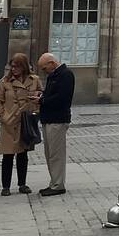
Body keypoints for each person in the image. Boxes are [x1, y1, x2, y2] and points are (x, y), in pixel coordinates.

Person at [0, 53, 41, 195]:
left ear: (24, 66)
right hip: (9, 123)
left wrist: (36, 109)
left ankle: (22, 184)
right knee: (7, 155)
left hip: (25, 122)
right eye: (12, 66)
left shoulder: (34, 80)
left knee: (23, 155)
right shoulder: (5, 81)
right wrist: (3, 116)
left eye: (16, 66)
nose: (13, 69)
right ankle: (6, 187)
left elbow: (41, 96)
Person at [37, 53, 75, 196]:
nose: (43, 71)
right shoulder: (53, 76)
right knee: (50, 153)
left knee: (56, 154)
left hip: (58, 120)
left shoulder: (65, 75)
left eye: (44, 68)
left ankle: (58, 185)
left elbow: (62, 98)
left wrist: (42, 101)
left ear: (52, 63)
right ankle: (54, 182)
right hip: (48, 118)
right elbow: (51, 94)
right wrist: (41, 96)